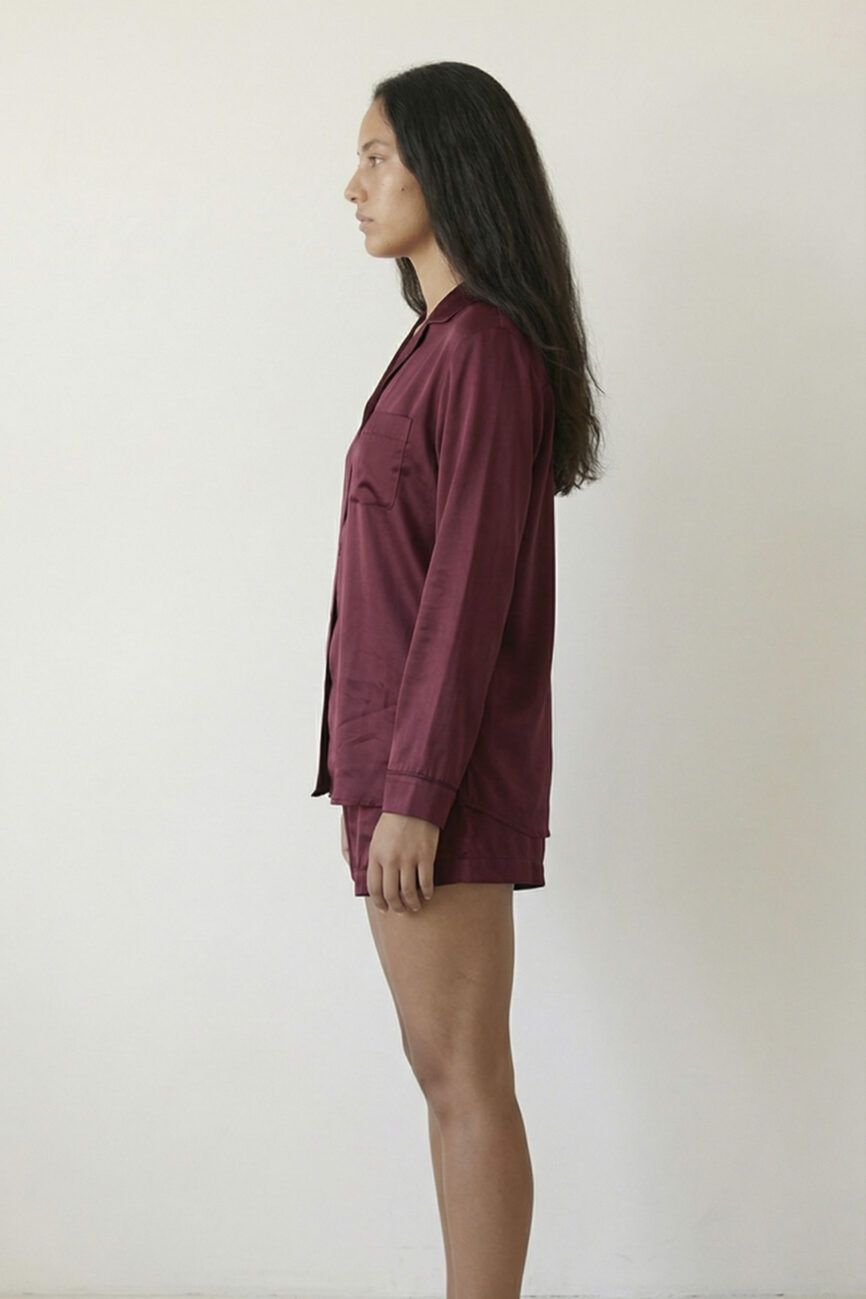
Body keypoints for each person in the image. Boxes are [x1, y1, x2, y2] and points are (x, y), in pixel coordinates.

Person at [311, 61, 604, 1299]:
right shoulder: (438, 342)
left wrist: (416, 795)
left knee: (463, 1079)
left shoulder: (481, 346)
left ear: (449, 165)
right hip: (396, 771)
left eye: (378, 156)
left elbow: (467, 593)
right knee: (445, 1079)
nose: (354, 185)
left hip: (433, 780)